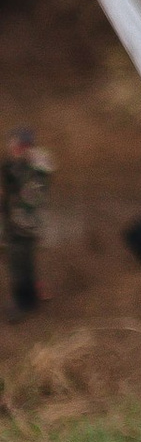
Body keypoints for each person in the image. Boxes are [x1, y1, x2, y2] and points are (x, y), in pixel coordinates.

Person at [4, 129, 51, 316]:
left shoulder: (36, 168)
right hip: (17, 223)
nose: (13, 149)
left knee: (20, 264)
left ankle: (24, 303)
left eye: (17, 146)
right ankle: (31, 295)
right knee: (20, 262)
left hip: (25, 225)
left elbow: (31, 199)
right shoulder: (16, 166)